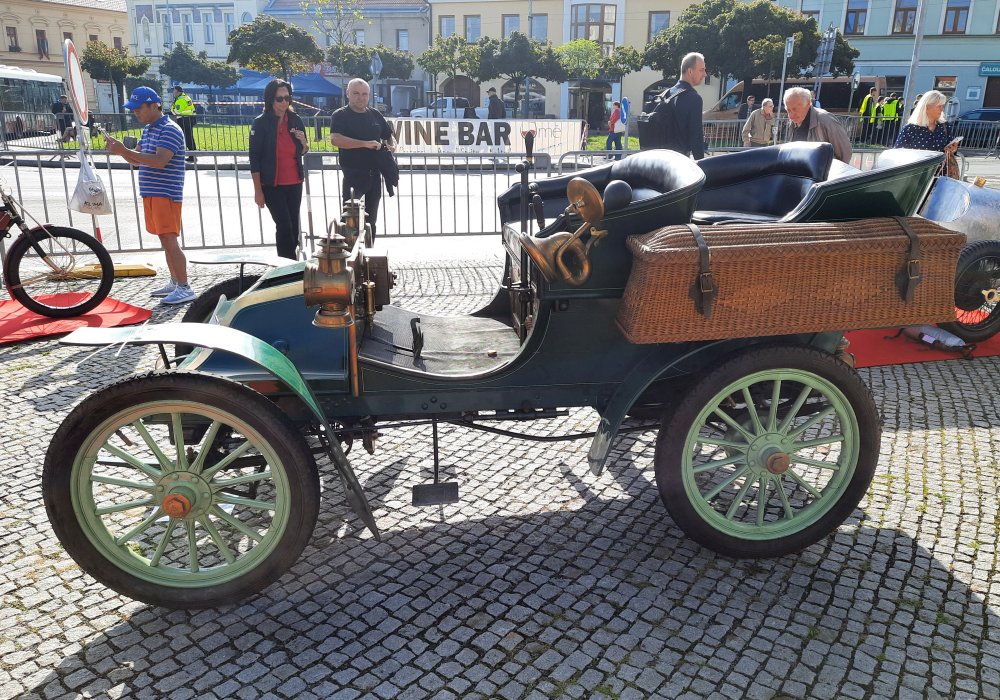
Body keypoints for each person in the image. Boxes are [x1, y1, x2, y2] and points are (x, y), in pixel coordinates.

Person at [104, 87, 196, 304]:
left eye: (138, 109)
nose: (135, 113)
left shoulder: (170, 129)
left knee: (170, 240)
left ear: (153, 105)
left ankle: (184, 286)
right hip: (153, 192)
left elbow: (159, 160)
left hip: (166, 193)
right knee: (165, 240)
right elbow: (138, 159)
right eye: (133, 109)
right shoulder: (148, 129)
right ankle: (176, 281)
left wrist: (124, 151)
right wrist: (122, 152)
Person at [249, 79, 310, 260]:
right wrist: (258, 191)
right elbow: (254, 158)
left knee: (293, 226)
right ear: (270, 100)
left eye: (287, 98)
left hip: (294, 182)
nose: (284, 102)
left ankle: (292, 263)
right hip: (272, 184)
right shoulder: (261, 123)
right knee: (284, 226)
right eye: (279, 99)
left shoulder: (295, 119)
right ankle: (286, 267)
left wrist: (303, 142)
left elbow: (304, 150)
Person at [330, 78, 397, 240]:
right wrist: (365, 144)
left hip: (374, 175)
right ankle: (346, 258)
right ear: (348, 94)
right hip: (353, 175)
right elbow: (335, 139)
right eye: (356, 93)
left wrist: (392, 147)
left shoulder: (374, 114)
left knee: (371, 222)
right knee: (349, 222)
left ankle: (369, 256)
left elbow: (389, 137)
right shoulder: (340, 115)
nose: (361, 97)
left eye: (364, 94)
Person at [651, 52, 707, 159]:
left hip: (657, 159)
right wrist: (702, 167)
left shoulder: (666, 94)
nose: (705, 74)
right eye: (701, 70)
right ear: (690, 71)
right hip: (678, 162)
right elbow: (696, 137)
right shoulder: (694, 98)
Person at [894, 90, 960, 178]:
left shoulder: (944, 126)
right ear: (927, 107)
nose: (942, 109)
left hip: (942, 176)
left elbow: (950, 148)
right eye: (939, 106)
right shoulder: (911, 128)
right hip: (916, 176)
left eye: (942, 106)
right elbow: (897, 152)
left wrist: (953, 149)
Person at [783, 86, 852, 163]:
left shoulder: (826, 121)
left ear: (808, 104)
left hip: (825, 173)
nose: (791, 116)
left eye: (795, 109)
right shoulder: (794, 121)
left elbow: (845, 154)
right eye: (788, 110)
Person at [171, 85, 197, 160]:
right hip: (188, 119)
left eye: (174, 91)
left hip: (185, 119)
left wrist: (170, 111)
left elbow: (176, 111)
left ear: (178, 92)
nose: (173, 92)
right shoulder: (185, 97)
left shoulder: (181, 100)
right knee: (189, 137)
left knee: (187, 138)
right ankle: (193, 155)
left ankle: (192, 156)